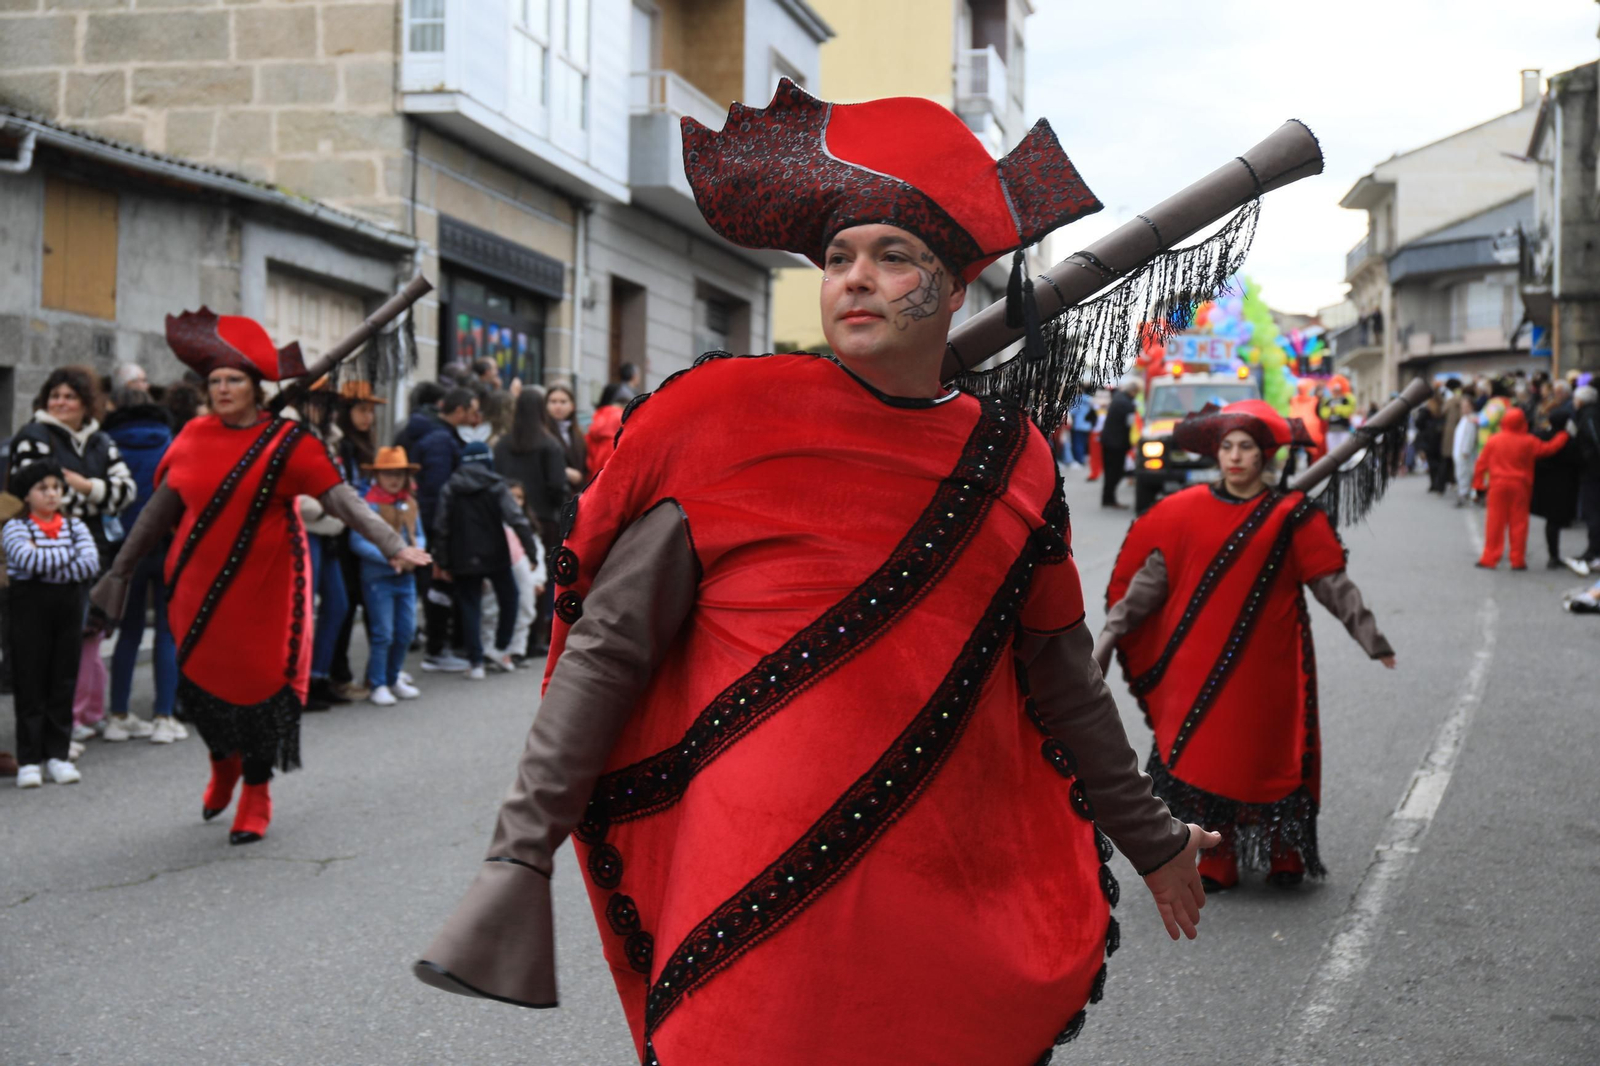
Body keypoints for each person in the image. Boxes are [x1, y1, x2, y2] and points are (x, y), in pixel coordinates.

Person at [414, 81, 1218, 1066]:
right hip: (748, 875)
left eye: (893, 256)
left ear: (955, 288)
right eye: (838, 257)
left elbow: (1058, 674)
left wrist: (1151, 837)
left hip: (932, 875)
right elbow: (608, 649)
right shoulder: (720, 419)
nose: (855, 278)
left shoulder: (1016, 459)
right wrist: (518, 850)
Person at [91, 310, 430, 845]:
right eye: (216, 381)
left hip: (265, 592)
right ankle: (222, 764)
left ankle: (255, 789)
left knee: (259, 694)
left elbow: (341, 499)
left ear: (256, 388)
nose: (223, 389)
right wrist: (120, 572)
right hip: (194, 589)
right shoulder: (192, 437)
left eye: (234, 380)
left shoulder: (289, 443)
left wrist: (392, 543)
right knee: (202, 692)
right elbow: (158, 512)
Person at [1096, 400, 1395, 890]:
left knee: (1272, 751)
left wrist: (1370, 636)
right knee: (1207, 753)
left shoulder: (1292, 514)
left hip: (1272, 661)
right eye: (1227, 447)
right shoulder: (1182, 511)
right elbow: (1148, 583)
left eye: (1247, 448)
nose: (1235, 456)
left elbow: (1330, 582)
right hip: (1196, 662)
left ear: (1265, 457)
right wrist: (1110, 634)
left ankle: (1284, 853)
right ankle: (1218, 857)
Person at [10, 366, 138, 743]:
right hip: (47, 555)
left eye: (69, 397)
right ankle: (54, 728)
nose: (60, 403)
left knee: (88, 638)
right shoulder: (34, 436)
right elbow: (34, 493)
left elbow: (126, 490)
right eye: (55, 396)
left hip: (95, 551)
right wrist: (98, 495)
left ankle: (79, 717)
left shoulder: (100, 441)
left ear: (86, 403)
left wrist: (84, 486)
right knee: (52, 646)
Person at [6, 462, 101, 788]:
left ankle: (57, 756)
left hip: (67, 609)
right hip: (29, 609)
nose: (51, 494)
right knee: (30, 681)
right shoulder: (16, 528)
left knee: (63, 680)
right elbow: (25, 560)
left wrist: (47, 559)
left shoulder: (75, 526)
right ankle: (29, 759)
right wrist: (66, 558)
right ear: (28, 495)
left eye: (56, 487)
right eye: (42, 488)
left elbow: (89, 562)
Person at [102, 385, 184, 744]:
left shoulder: (107, 443)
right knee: (167, 632)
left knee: (129, 631)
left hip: (126, 548)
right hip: (167, 545)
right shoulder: (171, 441)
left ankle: (118, 715)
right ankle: (163, 717)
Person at [430, 442, 537, 679]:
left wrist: (443, 560)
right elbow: (517, 519)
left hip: (462, 555)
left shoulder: (451, 487)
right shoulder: (496, 485)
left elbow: (441, 526)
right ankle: (501, 646)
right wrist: (531, 551)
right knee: (511, 597)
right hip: (496, 554)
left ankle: (476, 661)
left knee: (470, 605)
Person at [397, 385, 475, 672]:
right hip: (436, 526)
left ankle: (436, 645)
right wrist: (440, 532)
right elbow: (438, 491)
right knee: (437, 584)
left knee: (434, 584)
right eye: (473, 410)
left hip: (433, 525)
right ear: (459, 410)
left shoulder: (438, 436)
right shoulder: (441, 441)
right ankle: (436, 649)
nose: (476, 416)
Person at [349, 447, 426, 707]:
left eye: (398, 474)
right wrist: (391, 557)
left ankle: (393, 678)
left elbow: (420, 534)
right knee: (384, 633)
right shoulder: (368, 503)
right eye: (388, 474)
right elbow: (358, 541)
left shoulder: (410, 502)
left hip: (406, 576)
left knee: (405, 631)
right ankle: (377, 682)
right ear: (378, 475)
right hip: (378, 577)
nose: (393, 479)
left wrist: (415, 552)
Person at [496, 387, 567, 655]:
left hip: (507, 521)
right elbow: (557, 486)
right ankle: (534, 637)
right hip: (544, 521)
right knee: (540, 580)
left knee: (508, 578)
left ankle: (507, 635)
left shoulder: (503, 444)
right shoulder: (550, 444)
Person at [328, 380, 384, 699]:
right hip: (347, 533)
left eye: (371, 411)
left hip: (364, 531)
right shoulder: (344, 445)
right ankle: (338, 674)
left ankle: (364, 674)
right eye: (362, 410)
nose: (368, 417)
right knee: (345, 604)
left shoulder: (364, 443)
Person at [1473, 407, 1571, 571]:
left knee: (1494, 523)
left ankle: (1489, 558)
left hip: (1498, 486)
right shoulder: (1528, 440)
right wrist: (1562, 436)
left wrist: (1478, 484)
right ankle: (1517, 560)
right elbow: (1548, 449)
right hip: (1521, 486)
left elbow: (1481, 464)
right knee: (1519, 524)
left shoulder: (1494, 440)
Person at [1566, 386, 1600, 575]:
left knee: (1592, 512)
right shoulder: (1586, 415)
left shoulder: (1589, 416)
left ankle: (1594, 552)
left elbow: (1596, 440)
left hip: (1593, 473)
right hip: (1590, 470)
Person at [1100, 378, 1139, 509]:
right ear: (1133, 391)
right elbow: (1130, 425)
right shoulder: (1127, 404)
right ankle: (1109, 498)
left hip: (1109, 440)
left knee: (1110, 471)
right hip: (1117, 443)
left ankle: (1107, 498)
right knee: (1115, 472)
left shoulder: (1118, 398)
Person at [543, 383, 587, 493]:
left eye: (563, 402)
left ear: (572, 406)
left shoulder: (578, 434)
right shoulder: (542, 432)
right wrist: (565, 472)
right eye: (553, 402)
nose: (558, 406)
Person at [1452, 395, 1480, 508]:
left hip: (1464, 453)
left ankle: (1464, 495)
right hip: (1458, 452)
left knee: (1465, 474)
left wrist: (1466, 450)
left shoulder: (1471, 419)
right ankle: (1464, 494)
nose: (1463, 408)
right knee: (1460, 474)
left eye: (1466, 406)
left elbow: (1470, 436)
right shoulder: (1464, 419)